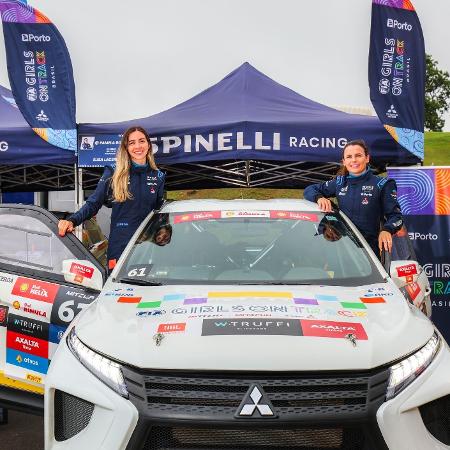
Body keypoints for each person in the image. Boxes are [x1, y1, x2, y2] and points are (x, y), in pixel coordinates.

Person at [58, 126, 165, 270]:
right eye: (132, 143)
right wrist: (72, 220)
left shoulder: (158, 176)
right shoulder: (114, 172)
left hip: (147, 247)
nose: (138, 146)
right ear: (126, 147)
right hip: (120, 246)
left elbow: (159, 212)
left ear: (148, 145)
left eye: (141, 141)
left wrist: (166, 229)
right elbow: (93, 203)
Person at [304, 139, 403, 257]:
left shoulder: (382, 184)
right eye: (349, 157)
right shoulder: (339, 182)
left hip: (369, 253)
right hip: (342, 250)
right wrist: (319, 198)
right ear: (344, 161)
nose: (354, 160)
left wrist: (387, 230)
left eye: (358, 155)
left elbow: (396, 217)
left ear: (367, 158)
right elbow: (309, 190)